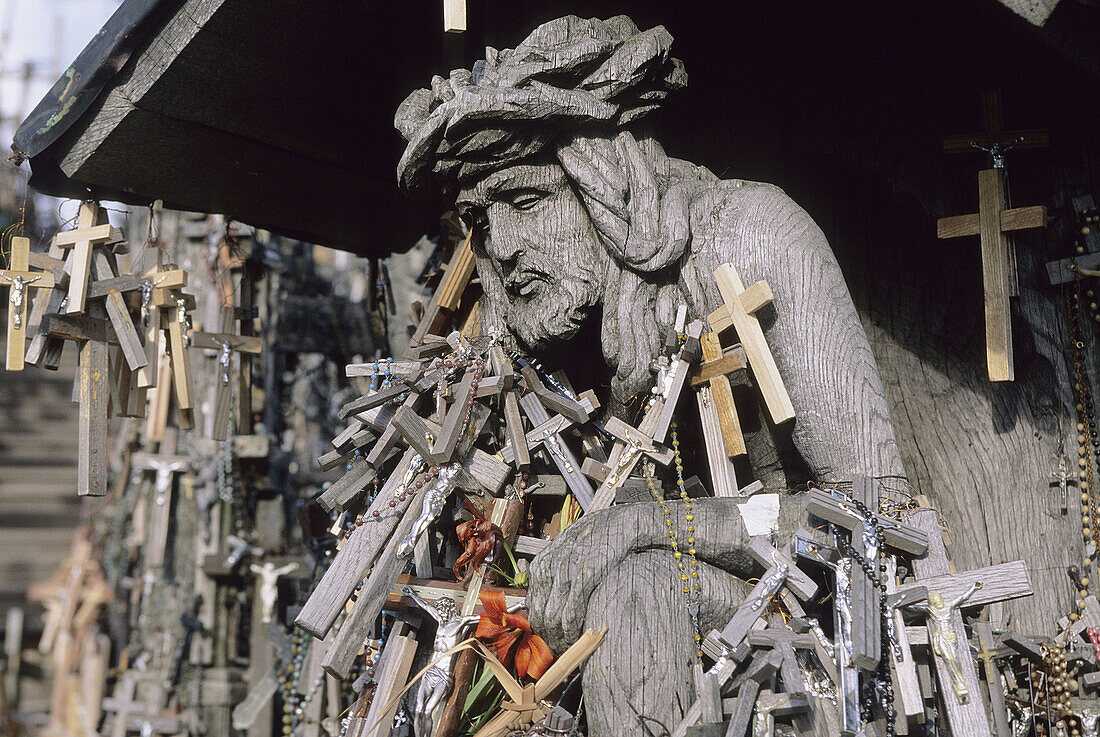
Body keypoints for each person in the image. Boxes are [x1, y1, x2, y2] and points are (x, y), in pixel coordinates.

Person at [396, 15, 908, 735]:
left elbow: (880, 513)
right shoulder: (547, 325)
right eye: (482, 221)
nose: (505, 250)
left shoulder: (749, 235)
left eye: (527, 202)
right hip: (644, 624)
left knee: (639, 595)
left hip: (817, 622)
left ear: (603, 181)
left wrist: (648, 530)